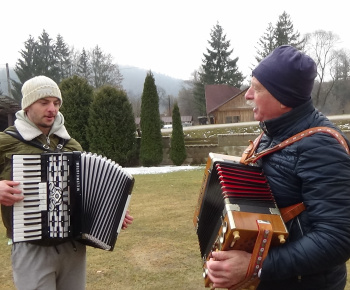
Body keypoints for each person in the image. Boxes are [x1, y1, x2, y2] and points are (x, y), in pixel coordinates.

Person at [206, 45, 350, 290]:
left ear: (284, 99)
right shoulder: (271, 134)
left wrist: (257, 265)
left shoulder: (321, 147)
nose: (248, 95)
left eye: (257, 88)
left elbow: (337, 239)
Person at [0, 75, 134, 290]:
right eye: (44, 103)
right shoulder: (6, 142)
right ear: (27, 106)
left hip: (73, 248)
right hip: (31, 246)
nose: (52, 108)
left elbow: (88, 192)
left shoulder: (71, 145)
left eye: (56, 103)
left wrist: (114, 214)